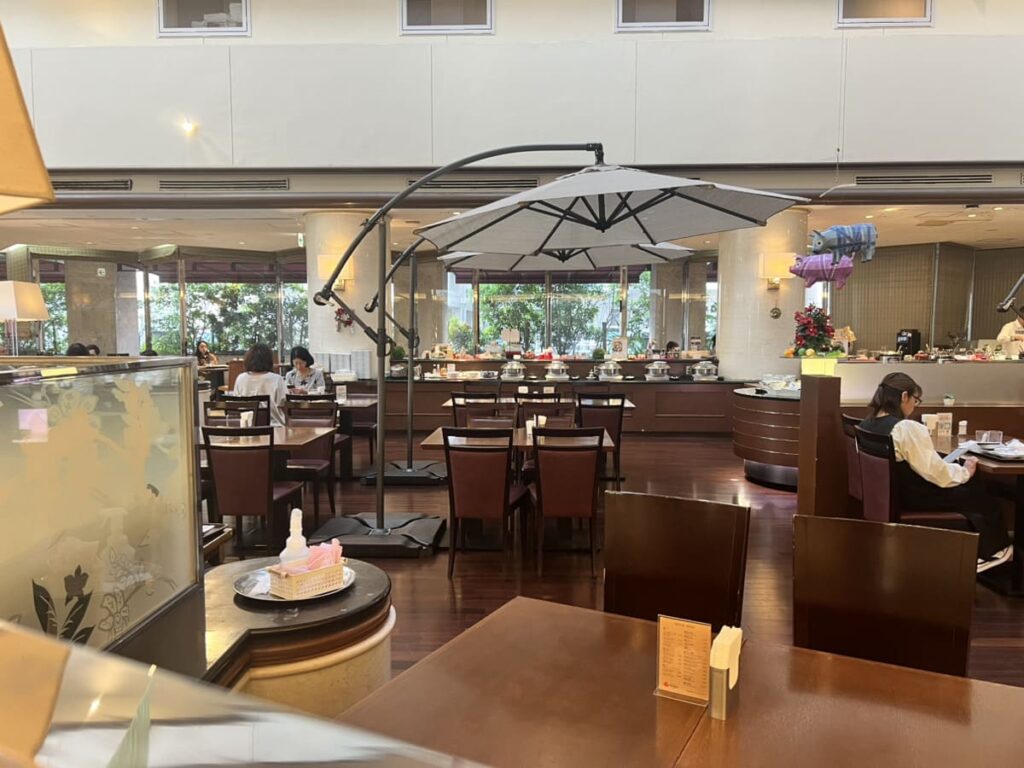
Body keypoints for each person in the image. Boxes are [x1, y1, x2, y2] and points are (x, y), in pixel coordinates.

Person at [859, 372, 1012, 572]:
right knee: (981, 495)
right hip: (916, 497)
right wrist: (965, 471)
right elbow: (935, 473)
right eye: (916, 400)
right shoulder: (905, 428)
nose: (915, 406)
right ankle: (994, 552)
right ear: (904, 396)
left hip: (888, 498)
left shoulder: (867, 424)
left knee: (974, 493)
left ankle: (982, 551)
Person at [232, 342, 287, 426]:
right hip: (273, 427)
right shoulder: (277, 379)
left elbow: (236, 404)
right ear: (269, 360)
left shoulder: (240, 378)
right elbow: (284, 404)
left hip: (247, 426)